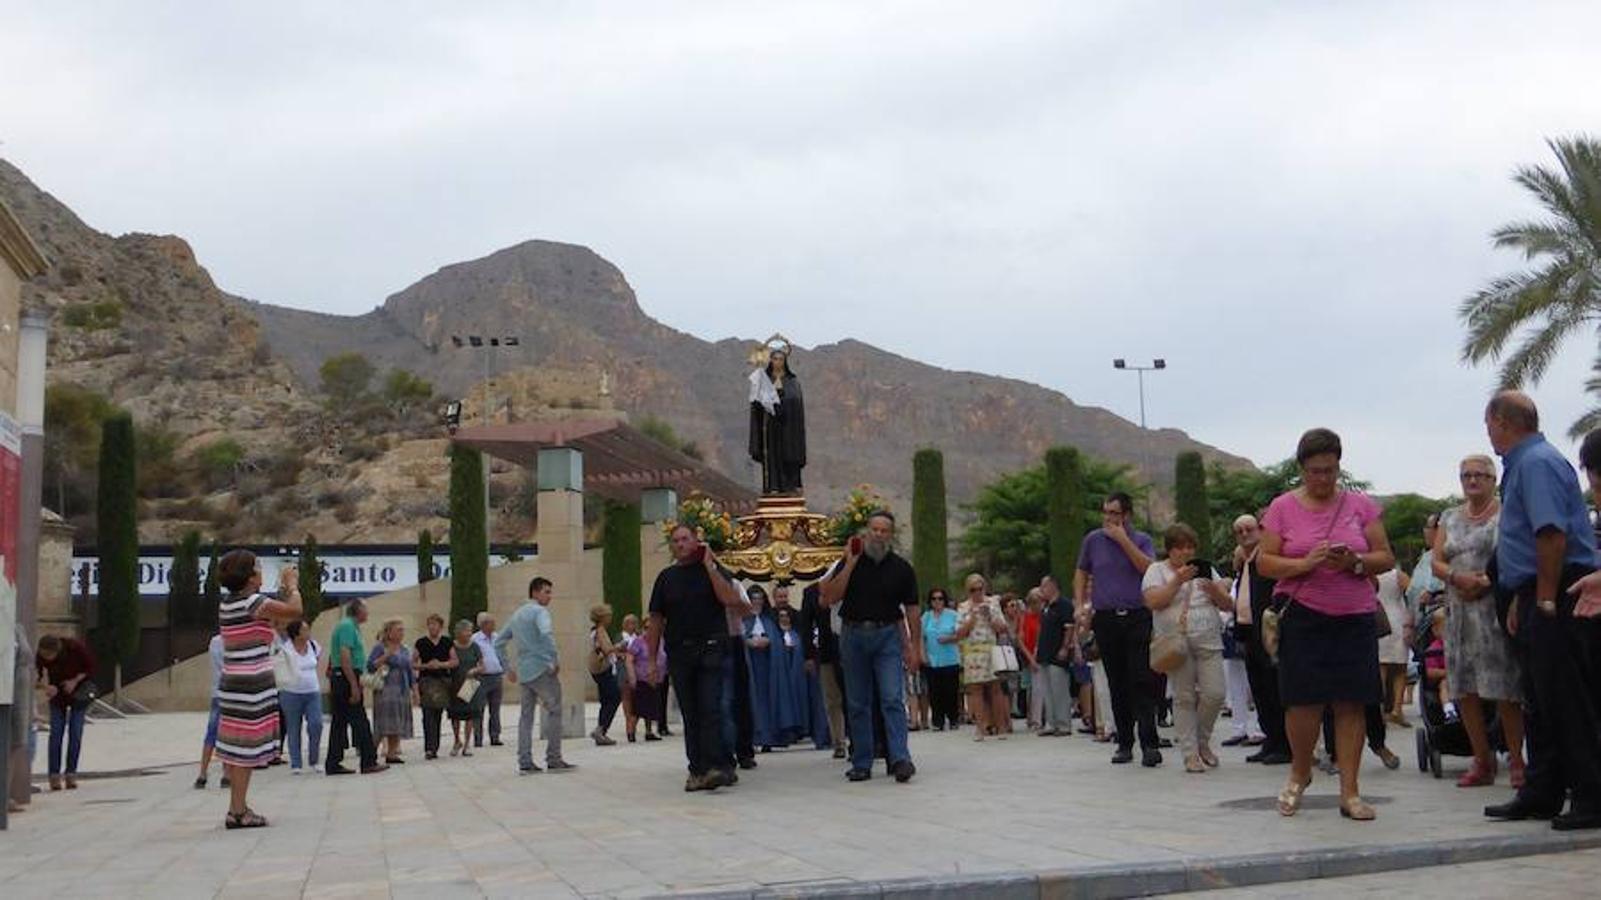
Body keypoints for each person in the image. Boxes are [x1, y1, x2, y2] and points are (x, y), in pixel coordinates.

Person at [1258, 428, 1396, 821]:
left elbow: (1384, 556)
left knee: (1351, 701)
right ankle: (1300, 770)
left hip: (1353, 615)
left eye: (1331, 470)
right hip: (1303, 613)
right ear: (1301, 469)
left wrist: (1354, 561)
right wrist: (1303, 564)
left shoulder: (1360, 506)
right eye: (1315, 471)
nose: (1323, 479)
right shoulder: (1282, 507)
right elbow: (1265, 562)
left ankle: (1350, 791)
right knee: (1303, 703)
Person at [1483, 392, 1600, 830]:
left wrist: (1547, 598)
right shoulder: (1523, 464)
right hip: (1533, 589)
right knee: (1538, 699)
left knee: (1566, 698)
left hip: (1560, 587)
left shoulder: (1536, 463)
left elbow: (1551, 534)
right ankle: (1542, 789)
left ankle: (1591, 794)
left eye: (1490, 425)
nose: (1490, 434)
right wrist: (1521, 597)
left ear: (1501, 420)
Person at [1432, 455, 1525, 787]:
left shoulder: (1506, 514)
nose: (1472, 481)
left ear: (1493, 479)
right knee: (1464, 687)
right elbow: (1437, 561)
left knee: (1505, 688)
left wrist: (1484, 581)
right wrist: (1457, 577)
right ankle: (1481, 759)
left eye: (1479, 475)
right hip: (1458, 612)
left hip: (1493, 607)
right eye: (1466, 475)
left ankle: (1516, 759)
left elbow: (1514, 556)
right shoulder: (1450, 518)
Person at [645, 524, 752, 791]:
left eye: (685, 539)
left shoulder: (714, 572)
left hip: (711, 648)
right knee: (690, 712)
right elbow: (657, 619)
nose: (681, 544)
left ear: (696, 542)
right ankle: (697, 769)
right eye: (676, 540)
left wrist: (710, 566)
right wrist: (651, 660)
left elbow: (733, 601)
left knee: (711, 709)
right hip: (680, 651)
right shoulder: (666, 578)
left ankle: (716, 765)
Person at [819, 510, 921, 783]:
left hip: (887, 635)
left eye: (883, 530)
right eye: (874, 530)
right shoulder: (849, 562)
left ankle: (900, 758)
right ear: (866, 532)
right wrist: (850, 562)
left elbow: (912, 609)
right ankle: (862, 761)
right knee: (857, 702)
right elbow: (827, 597)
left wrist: (914, 647)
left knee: (891, 697)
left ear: (891, 535)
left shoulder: (901, 568)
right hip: (852, 635)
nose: (878, 535)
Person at [214, 550, 304, 828]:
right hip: (251, 683)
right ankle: (238, 811)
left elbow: (274, 619)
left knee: (240, 746)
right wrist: (292, 586)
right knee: (245, 749)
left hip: (233, 681)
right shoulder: (254, 602)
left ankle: (238, 806)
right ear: (250, 575)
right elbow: (295, 612)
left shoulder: (230, 603)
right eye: (258, 568)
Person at [1075, 492, 1160, 767]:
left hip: (1137, 615)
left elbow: (1148, 568)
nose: (1108, 518)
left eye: (1114, 513)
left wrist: (1123, 540)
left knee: (1142, 679)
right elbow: (1081, 571)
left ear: (1126, 515)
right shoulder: (1093, 540)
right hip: (1106, 618)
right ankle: (1124, 742)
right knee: (1117, 682)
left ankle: (1150, 743)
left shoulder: (1142, 540)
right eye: (1105, 512)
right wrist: (1080, 604)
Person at [1142, 523, 1233, 773]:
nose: (1186, 552)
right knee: (1184, 697)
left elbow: (1228, 606)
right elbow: (1153, 601)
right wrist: (1176, 581)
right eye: (1180, 547)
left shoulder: (1205, 570)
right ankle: (1190, 753)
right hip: (1177, 642)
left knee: (1215, 694)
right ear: (1170, 550)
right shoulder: (1156, 570)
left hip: (1209, 638)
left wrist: (1215, 591)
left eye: (1190, 547)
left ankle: (1203, 741)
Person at [496, 578, 576, 775]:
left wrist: (507, 668)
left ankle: (525, 760)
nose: (550, 596)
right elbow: (546, 633)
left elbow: (498, 642)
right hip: (541, 668)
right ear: (536, 592)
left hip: (524, 672)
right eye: (547, 592)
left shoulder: (517, 615)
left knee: (526, 717)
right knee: (555, 710)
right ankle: (554, 758)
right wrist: (554, 659)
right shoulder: (540, 612)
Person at [1231, 514, 1289, 765]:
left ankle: (1285, 744)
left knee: (1273, 687)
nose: (1245, 534)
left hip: (1267, 632)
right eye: (1239, 531)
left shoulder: (1266, 560)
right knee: (1259, 689)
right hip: (1247, 631)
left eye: (1249, 529)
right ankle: (1271, 739)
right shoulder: (1243, 562)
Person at [325, 599, 386, 776]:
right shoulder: (346, 627)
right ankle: (368, 761)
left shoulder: (352, 627)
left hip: (346, 676)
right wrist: (353, 684)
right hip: (346, 677)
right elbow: (345, 657)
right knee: (360, 721)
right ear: (358, 610)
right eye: (366, 609)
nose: (368, 613)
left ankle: (333, 763)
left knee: (339, 722)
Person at [36, 633, 96, 791]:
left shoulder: (74, 648)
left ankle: (71, 774)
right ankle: (54, 776)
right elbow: (37, 677)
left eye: (49, 655)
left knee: (75, 733)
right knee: (56, 734)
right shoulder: (41, 656)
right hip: (58, 695)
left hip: (78, 692)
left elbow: (90, 668)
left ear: (57, 650)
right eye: (43, 655)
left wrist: (74, 681)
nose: (47, 659)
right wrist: (46, 687)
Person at [955, 574, 1010, 742]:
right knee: (975, 690)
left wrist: (989, 616)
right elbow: (959, 633)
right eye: (973, 590)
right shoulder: (963, 607)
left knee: (995, 689)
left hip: (990, 649)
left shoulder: (993, 603)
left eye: (980, 588)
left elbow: (1002, 628)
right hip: (973, 652)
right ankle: (980, 728)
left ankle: (1001, 727)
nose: (977, 593)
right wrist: (971, 618)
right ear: (968, 591)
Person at [748, 344, 806, 495]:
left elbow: (796, 405)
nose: (778, 362)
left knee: (788, 456)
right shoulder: (764, 381)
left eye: (781, 359)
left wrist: (783, 402)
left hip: (789, 429)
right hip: (770, 427)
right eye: (774, 358)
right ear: (770, 360)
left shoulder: (793, 382)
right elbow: (757, 404)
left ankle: (790, 486)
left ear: (785, 361)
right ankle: (772, 486)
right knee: (772, 456)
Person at [799, 582, 848, 758]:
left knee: (854, 697)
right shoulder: (811, 592)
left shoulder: (846, 582)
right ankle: (839, 741)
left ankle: (861, 739)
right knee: (832, 698)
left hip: (850, 648)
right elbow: (805, 624)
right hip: (826, 650)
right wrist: (808, 655)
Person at [367, 619, 416, 764]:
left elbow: (410, 670)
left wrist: (415, 690)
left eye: (402, 630)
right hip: (385, 690)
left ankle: (392, 753)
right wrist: (386, 656)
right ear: (389, 632)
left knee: (398, 722)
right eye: (398, 630)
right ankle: (371, 753)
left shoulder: (405, 649)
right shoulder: (380, 647)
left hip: (401, 689)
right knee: (383, 723)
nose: (401, 633)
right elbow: (370, 666)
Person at [279, 620, 324, 773]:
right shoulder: (285, 649)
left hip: (312, 691)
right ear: (296, 633)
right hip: (291, 692)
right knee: (293, 727)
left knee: (316, 724)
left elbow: (317, 660)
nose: (308, 632)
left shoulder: (313, 646)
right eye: (304, 629)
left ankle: (314, 759)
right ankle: (296, 763)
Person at [1034, 576, 1075, 737]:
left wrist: (1065, 648)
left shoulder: (1063, 605)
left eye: (1043, 586)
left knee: (1060, 690)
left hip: (1057, 652)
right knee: (1047, 690)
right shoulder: (1046, 607)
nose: (1041, 589)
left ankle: (1064, 724)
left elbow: (1069, 627)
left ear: (1052, 586)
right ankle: (1051, 723)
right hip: (1045, 653)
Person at [414, 613, 457, 760]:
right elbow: (412, 663)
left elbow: (454, 661)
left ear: (440, 626)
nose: (432, 627)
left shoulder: (446, 642)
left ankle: (435, 746)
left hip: (442, 680)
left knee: (437, 713)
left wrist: (441, 664)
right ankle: (429, 748)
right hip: (426, 680)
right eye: (430, 624)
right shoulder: (421, 642)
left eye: (435, 624)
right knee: (427, 714)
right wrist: (426, 665)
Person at [769, 606, 814, 747]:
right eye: (781, 616)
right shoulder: (775, 634)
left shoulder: (796, 634)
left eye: (786, 616)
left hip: (796, 672)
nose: (784, 618)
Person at [742, 585, 777, 751]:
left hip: (766, 663)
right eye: (754, 599)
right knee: (750, 698)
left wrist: (769, 641)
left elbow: (776, 638)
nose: (757, 602)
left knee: (765, 699)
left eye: (760, 599)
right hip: (750, 662)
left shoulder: (768, 620)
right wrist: (747, 641)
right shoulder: (744, 619)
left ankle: (767, 737)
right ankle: (753, 737)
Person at [920, 588, 961, 731]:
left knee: (950, 691)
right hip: (933, 659)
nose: (937, 602)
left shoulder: (953, 615)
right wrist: (923, 655)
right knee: (934, 692)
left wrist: (949, 638)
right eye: (934, 599)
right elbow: (921, 637)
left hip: (950, 658)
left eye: (940, 599)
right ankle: (938, 720)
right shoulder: (926, 616)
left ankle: (954, 718)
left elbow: (961, 634)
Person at [623, 615, 667, 742]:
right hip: (641, 679)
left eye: (653, 628)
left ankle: (649, 731)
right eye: (647, 627)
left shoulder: (661, 641)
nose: (650, 631)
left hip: (656, 679)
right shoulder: (639, 642)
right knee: (637, 708)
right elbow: (629, 659)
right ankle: (631, 733)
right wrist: (632, 677)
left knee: (651, 707)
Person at [447, 619, 486, 757]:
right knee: (455, 714)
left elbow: (482, 665)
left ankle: (467, 744)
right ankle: (457, 740)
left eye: (470, 631)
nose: (469, 634)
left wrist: (474, 670)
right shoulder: (452, 646)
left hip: (470, 683)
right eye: (466, 631)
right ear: (458, 632)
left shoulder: (475, 647)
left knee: (470, 714)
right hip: (455, 683)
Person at [194, 632, 227, 789]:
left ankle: (203, 773)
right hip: (230, 692)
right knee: (228, 734)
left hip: (217, 692)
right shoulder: (231, 642)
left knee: (212, 733)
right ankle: (226, 773)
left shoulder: (214, 641)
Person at [588, 605, 623, 747]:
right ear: (603, 617)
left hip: (597, 668)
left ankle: (601, 730)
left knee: (606, 698)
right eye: (608, 615)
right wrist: (619, 646)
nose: (610, 618)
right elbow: (606, 649)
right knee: (614, 697)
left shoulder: (594, 631)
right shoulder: (601, 631)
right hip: (604, 669)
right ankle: (601, 728)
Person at [472, 613, 504, 747]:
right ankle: (478, 738)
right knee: (479, 708)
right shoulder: (475, 639)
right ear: (483, 624)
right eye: (491, 622)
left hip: (496, 676)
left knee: (495, 709)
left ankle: (495, 736)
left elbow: (502, 654)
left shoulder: (497, 637)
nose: (494, 625)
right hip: (481, 678)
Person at [617, 613, 640, 736]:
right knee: (626, 697)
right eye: (629, 623)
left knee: (637, 698)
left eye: (634, 623)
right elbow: (613, 653)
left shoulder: (639, 637)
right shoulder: (619, 637)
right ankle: (628, 724)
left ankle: (633, 723)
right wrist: (623, 654)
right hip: (624, 671)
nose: (632, 625)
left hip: (638, 670)